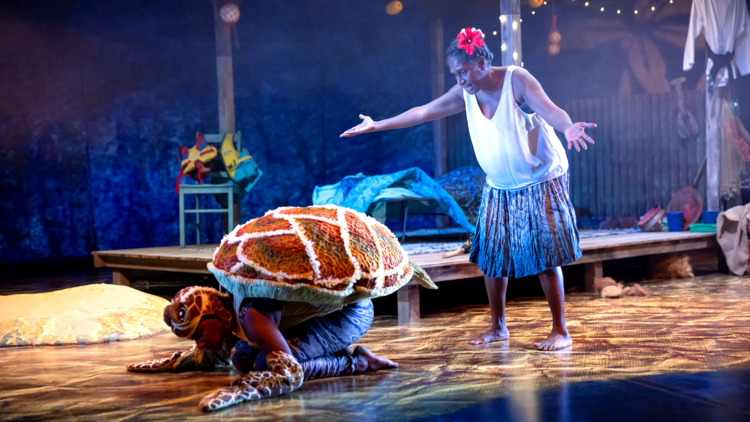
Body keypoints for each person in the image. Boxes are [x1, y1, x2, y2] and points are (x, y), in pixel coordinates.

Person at [341, 27, 595, 351]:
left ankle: (560, 331)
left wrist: (569, 126)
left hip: (539, 178)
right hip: (500, 185)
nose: (459, 79)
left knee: (544, 254)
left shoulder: (517, 80)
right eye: (455, 73)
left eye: (463, 71)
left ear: (481, 62)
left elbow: (549, 109)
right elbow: (423, 112)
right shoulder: (465, 92)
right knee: (491, 257)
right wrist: (377, 124)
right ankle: (498, 327)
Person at [128, 286, 396, 411]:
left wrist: (235, 392)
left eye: (198, 333)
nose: (198, 343)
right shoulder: (227, 306)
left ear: (213, 314)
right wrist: (176, 362)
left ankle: (357, 362)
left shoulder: (250, 315)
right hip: (314, 314)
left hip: (350, 312)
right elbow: (212, 353)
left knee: (265, 366)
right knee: (242, 358)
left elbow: (287, 373)